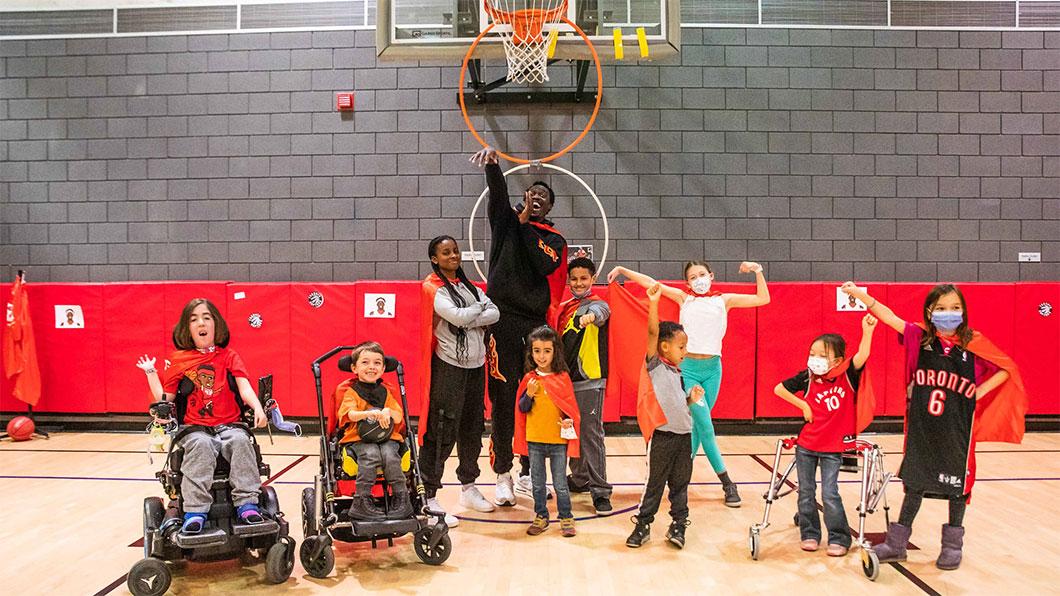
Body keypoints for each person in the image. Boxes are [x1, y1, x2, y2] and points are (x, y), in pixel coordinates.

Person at [840, 282, 1027, 570]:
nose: (948, 313)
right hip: (923, 426)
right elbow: (886, 314)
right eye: (941, 308)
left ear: (963, 311)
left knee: (957, 487)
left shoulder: (973, 342)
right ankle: (897, 543)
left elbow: (1006, 369)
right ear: (929, 311)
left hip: (958, 428)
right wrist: (859, 294)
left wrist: (979, 391)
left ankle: (952, 545)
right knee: (915, 483)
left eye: (954, 308)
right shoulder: (920, 336)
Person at [609, 260, 770, 507]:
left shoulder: (724, 300)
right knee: (705, 425)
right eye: (693, 277)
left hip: (713, 370)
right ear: (687, 282)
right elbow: (652, 283)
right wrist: (622, 271)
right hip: (689, 370)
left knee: (694, 426)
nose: (699, 279)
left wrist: (758, 271)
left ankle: (680, 478)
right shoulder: (684, 299)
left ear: (711, 275)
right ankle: (727, 481)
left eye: (702, 274)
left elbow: (762, 299)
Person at [469, 146, 568, 506]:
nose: (537, 197)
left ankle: (530, 471)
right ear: (524, 197)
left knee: (537, 397)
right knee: (503, 398)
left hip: (535, 327)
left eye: (544, 196)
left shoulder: (553, 240)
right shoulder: (506, 222)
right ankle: (502, 475)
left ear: (550, 207)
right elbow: (497, 198)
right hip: (501, 322)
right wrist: (494, 168)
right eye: (533, 193)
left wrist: (525, 224)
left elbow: (544, 264)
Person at [135, 298, 268, 534]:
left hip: (229, 424)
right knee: (201, 445)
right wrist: (152, 375)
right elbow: (167, 398)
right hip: (194, 427)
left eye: (206, 317)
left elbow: (244, 387)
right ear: (187, 329)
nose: (201, 322)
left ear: (216, 325)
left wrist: (257, 407)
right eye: (194, 319)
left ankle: (247, 504)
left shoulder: (229, 356)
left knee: (240, 441)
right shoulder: (179, 360)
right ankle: (196, 510)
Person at [774, 314, 877, 557]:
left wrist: (868, 331)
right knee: (806, 491)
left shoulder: (848, 374)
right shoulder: (807, 377)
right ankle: (809, 533)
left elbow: (862, 355)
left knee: (829, 492)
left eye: (822, 355)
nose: (815, 359)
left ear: (838, 360)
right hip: (807, 445)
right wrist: (804, 406)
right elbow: (779, 389)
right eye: (812, 353)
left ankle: (840, 537)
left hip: (833, 448)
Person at [419, 236, 500, 526]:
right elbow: (457, 317)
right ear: (434, 258)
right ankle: (427, 495)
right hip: (449, 367)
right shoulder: (433, 287)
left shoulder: (469, 287)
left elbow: (495, 312)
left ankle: (468, 487)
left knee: (472, 427)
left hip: (476, 366)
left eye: (455, 251)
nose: (453, 255)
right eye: (446, 252)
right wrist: (477, 310)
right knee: (442, 430)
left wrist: (471, 313)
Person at [627, 282, 702, 549]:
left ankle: (678, 525)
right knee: (654, 484)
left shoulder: (678, 374)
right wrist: (654, 303)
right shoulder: (655, 365)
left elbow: (676, 404)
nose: (685, 351)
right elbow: (651, 331)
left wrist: (690, 400)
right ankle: (643, 525)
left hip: (684, 437)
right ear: (665, 347)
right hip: (662, 437)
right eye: (681, 347)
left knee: (680, 485)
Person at [554, 257, 614, 515]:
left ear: (593, 279)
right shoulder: (565, 307)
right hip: (565, 381)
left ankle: (601, 491)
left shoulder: (598, 304)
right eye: (574, 279)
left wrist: (590, 316)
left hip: (589, 380)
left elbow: (602, 315)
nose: (579, 283)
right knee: (571, 433)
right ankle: (579, 479)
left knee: (591, 434)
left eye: (584, 279)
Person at [514, 326, 580, 537]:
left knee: (560, 483)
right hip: (535, 440)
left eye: (547, 351)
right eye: (537, 351)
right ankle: (541, 515)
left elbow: (570, 409)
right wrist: (529, 395)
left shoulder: (562, 378)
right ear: (531, 353)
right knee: (538, 483)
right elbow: (522, 408)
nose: (541, 356)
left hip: (557, 440)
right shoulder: (529, 379)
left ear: (555, 352)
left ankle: (566, 516)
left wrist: (569, 422)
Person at [336, 341, 413, 521]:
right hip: (358, 439)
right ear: (354, 368)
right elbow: (351, 414)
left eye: (377, 363)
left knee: (390, 454)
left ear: (384, 367)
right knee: (370, 454)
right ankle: (362, 500)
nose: (371, 367)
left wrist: (387, 411)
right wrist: (369, 414)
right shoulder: (350, 392)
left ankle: (401, 497)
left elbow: (399, 417)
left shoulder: (386, 392)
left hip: (386, 438)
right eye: (365, 362)